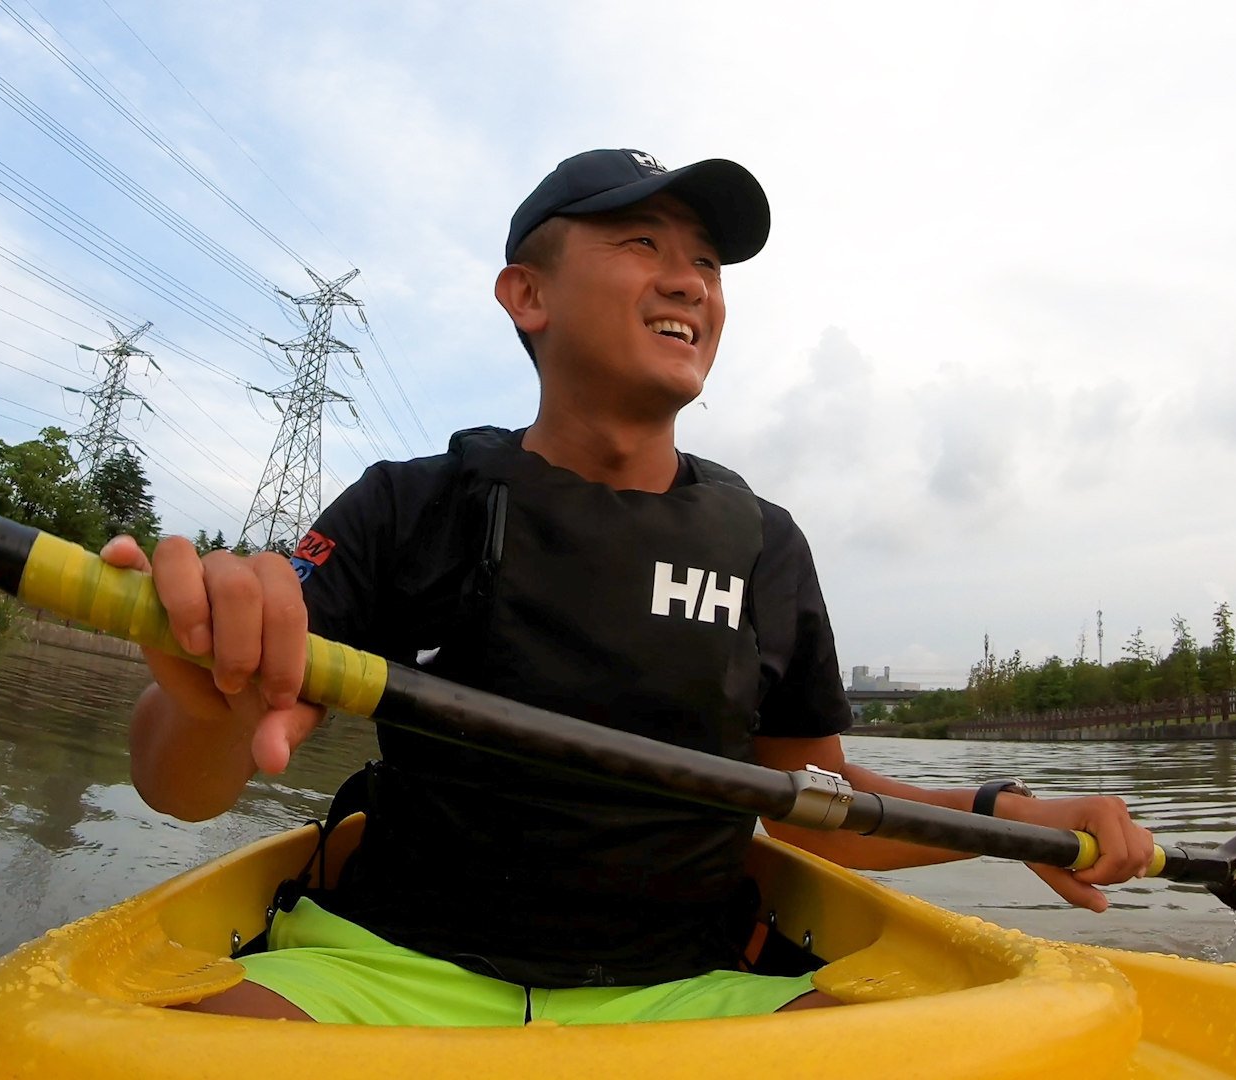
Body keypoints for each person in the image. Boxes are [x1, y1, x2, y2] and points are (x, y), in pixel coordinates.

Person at [99, 149, 1154, 1026]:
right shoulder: (408, 507)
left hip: (687, 993)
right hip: (374, 976)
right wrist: (208, 703)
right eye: (644, 244)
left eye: (706, 262)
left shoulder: (766, 548)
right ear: (529, 293)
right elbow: (178, 789)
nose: (691, 280)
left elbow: (817, 811)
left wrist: (1009, 812)